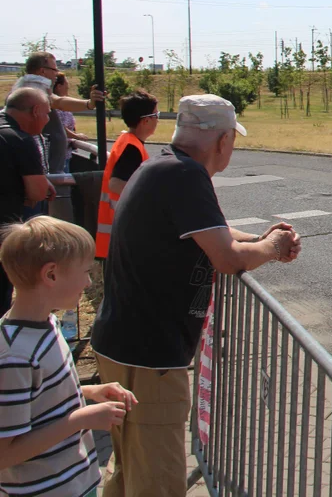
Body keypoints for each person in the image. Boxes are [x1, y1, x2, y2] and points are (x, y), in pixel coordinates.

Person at [91, 94, 301, 497]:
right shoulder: (186, 177)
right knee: (158, 482)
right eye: (232, 140)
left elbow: (215, 232)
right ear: (222, 141)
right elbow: (225, 257)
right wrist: (273, 247)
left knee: (128, 471)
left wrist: (261, 239)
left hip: (123, 344)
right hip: (149, 358)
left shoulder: (164, 166)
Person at [0, 216, 137, 497]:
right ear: (51, 274)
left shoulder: (47, 324)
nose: (88, 282)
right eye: (85, 271)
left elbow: (37, 401)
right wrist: (80, 419)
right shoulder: (13, 356)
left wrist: (89, 391)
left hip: (74, 484)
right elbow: (5, 454)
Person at [0, 88, 55, 315]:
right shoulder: (20, 140)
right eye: (47, 113)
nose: (48, 119)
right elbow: (37, 192)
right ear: (35, 111)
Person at [15, 53, 105, 176]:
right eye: (54, 69)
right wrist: (89, 104)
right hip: (47, 172)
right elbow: (59, 102)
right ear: (42, 71)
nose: (56, 74)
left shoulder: (25, 85)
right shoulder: (35, 87)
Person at [95, 90, 160, 259]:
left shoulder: (128, 141)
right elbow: (115, 184)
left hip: (116, 232)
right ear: (146, 120)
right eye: (156, 115)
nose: (158, 119)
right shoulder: (132, 147)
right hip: (120, 234)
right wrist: (149, 194)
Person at [52, 73, 89, 173]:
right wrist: (77, 136)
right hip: (60, 155)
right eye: (66, 85)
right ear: (59, 87)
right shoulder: (56, 107)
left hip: (66, 152)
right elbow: (59, 128)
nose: (68, 87)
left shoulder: (65, 104)